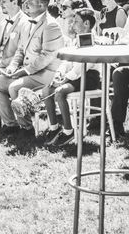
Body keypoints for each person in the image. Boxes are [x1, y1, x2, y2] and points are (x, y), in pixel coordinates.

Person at [0, 0, 63, 136]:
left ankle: (27, 128)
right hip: (25, 70)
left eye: (30, 0)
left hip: (46, 73)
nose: (25, 3)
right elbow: (21, 50)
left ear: (42, 5)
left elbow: (47, 56)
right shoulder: (26, 23)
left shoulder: (51, 25)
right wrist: (12, 67)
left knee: (14, 87)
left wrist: (24, 71)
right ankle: (11, 124)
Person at [41, 9, 101, 146]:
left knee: (60, 91)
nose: (72, 24)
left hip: (89, 77)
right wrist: (58, 74)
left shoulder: (93, 40)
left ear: (86, 23)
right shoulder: (76, 40)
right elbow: (67, 61)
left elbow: (83, 66)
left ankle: (69, 131)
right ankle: (54, 128)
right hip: (74, 75)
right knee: (46, 90)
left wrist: (65, 79)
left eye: (76, 21)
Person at [0, 0, 29, 77]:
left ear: (15, 3)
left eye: (4, 1)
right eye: (0, 1)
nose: (0, 4)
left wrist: (0, 64)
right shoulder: (3, 22)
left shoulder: (26, 22)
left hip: (12, 69)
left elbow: (22, 53)